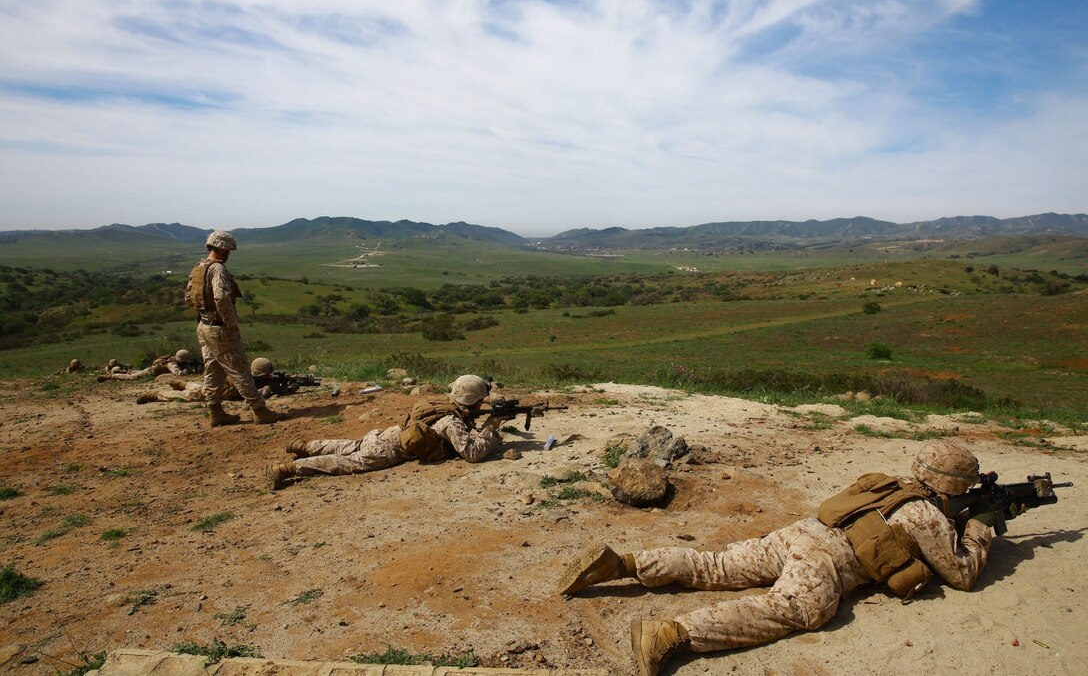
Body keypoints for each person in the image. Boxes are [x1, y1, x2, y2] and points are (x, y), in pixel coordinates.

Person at [559, 441, 1019, 676]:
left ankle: (625, 564)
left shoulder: (889, 482)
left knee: (717, 565)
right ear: (961, 485)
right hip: (825, 562)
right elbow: (961, 575)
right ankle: (672, 633)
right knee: (795, 610)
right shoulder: (928, 516)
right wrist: (980, 527)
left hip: (799, 533)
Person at [264, 374, 507, 490]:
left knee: (349, 445)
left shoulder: (441, 404)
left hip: (384, 434)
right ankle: (288, 469)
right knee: (345, 463)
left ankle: (302, 446)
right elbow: (471, 453)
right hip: (388, 450)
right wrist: (492, 428)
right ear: (475, 401)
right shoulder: (450, 421)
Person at [184, 230, 284, 427]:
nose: (229, 253)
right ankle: (259, 409)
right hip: (220, 328)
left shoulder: (199, 268)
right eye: (228, 250)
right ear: (222, 248)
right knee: (239, 369)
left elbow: (189, 297)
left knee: (213, 369)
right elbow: (221, 297)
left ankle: (215, 411)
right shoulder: (217, 270)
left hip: (204, 325)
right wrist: (231, 323)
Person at [100, 350, 201, 381]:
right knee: (132, 378)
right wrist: (188, 370)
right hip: (151, 372)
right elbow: (178, 374)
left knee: (135, 373)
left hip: (152, 370)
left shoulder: (175, 361)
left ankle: (122, 372)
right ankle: (112, 376)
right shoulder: (172, 364)